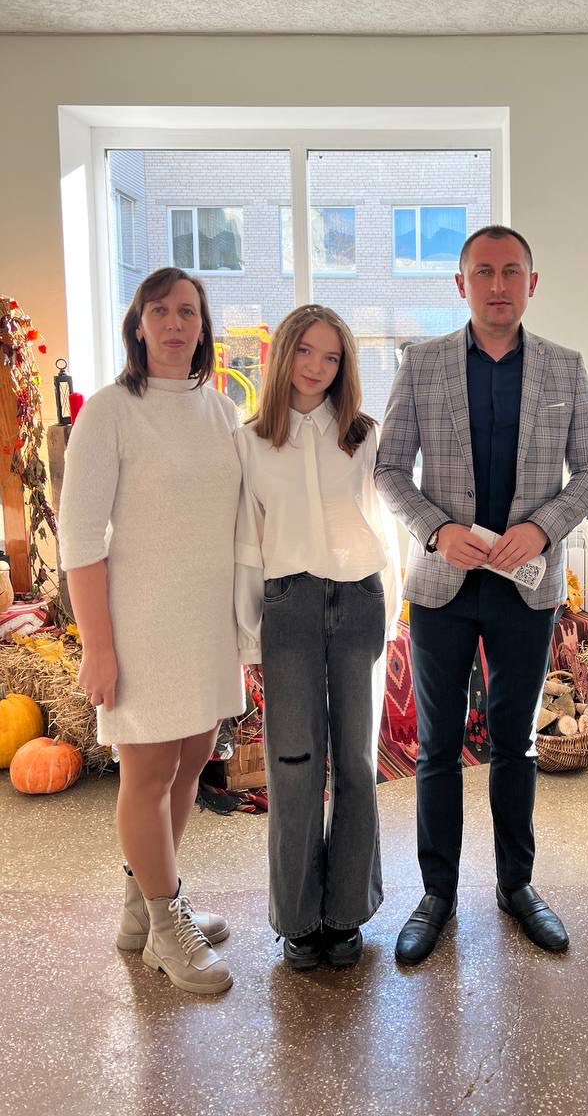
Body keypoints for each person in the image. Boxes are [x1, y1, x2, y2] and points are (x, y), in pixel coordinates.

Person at [375, 225, 588, 964]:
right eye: (484, 271)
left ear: (532, 284)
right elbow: (388, 468)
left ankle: (517, 886)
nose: (498, 284)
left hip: (524, 589)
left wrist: (542, 529)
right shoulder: (422, 364)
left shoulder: (565, 368)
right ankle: (436, 894)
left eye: (512, 272)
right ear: (461, 283)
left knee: (515, 744)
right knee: (438, 748)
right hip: (443, 587)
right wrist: (437, 529)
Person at [59, 267, 241, 995]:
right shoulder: (110, 411)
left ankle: (142, 909)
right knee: (147, 772)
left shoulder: (221, 410)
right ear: (138, 325)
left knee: (192, 760)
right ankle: (168, 926)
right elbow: (79, 539)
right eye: (159, 311)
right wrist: (98, 646)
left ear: (202, 327)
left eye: (187, 312)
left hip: (205, 621)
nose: (173, 323)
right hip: (139, 622)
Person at [235, 305, 399, 971]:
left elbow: (386, 525)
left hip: (358, 601)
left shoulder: (363, 435)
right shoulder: (251, 441)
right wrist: (250, 637)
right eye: (305, 351)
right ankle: (299, 919)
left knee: (356, 761)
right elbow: (248, 541)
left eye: (331, 357)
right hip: (289, 606)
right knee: (294, 764)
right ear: (284, 355)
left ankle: (346, 911)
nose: (317, 367)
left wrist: (392, 613)